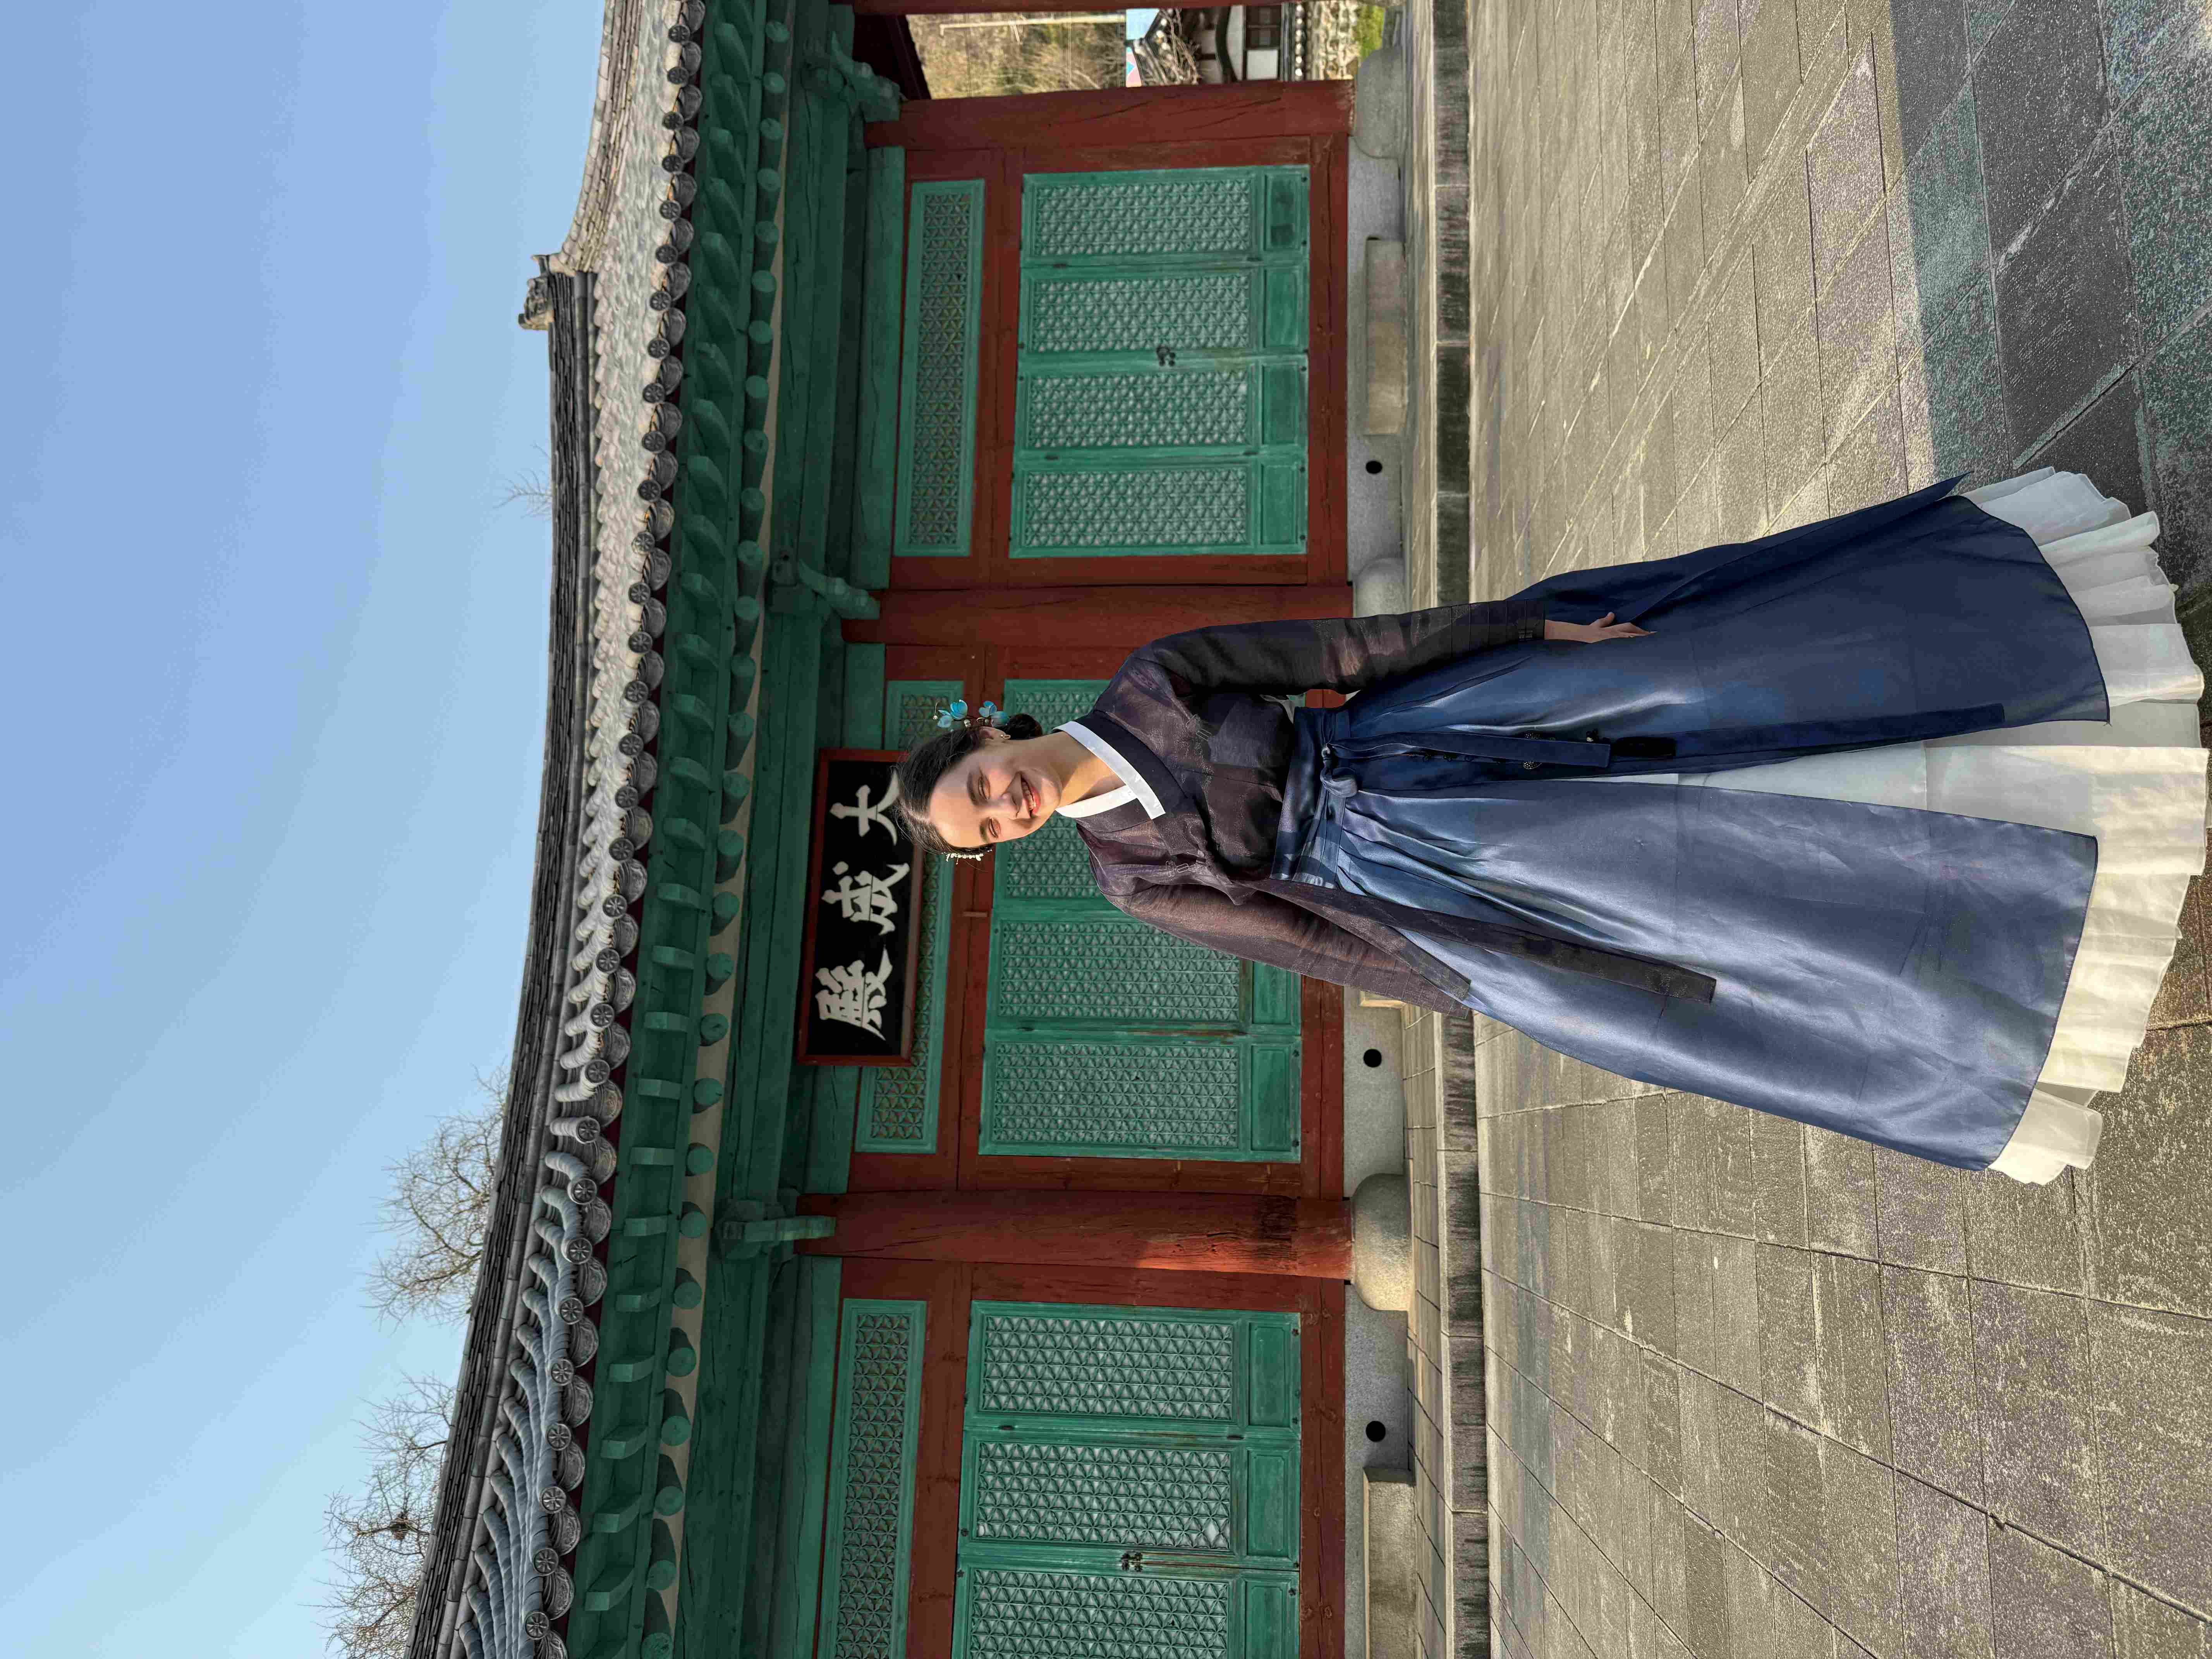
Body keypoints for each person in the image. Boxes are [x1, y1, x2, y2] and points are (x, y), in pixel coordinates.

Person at [894, 472, 2207, 1183]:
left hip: (1429, 738)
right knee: (1717, 904)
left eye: (981, 790)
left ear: (989, 736)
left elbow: (1348, 644)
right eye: (986, 838)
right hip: (1428, 886)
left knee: (1722, 690)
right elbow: (1296, 935)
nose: (1004, 813)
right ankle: (2012, 942)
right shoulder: (1129, 874)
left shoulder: (1158, 681)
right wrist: (1460, 978)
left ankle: (2045, 701)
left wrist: (1527, 628)